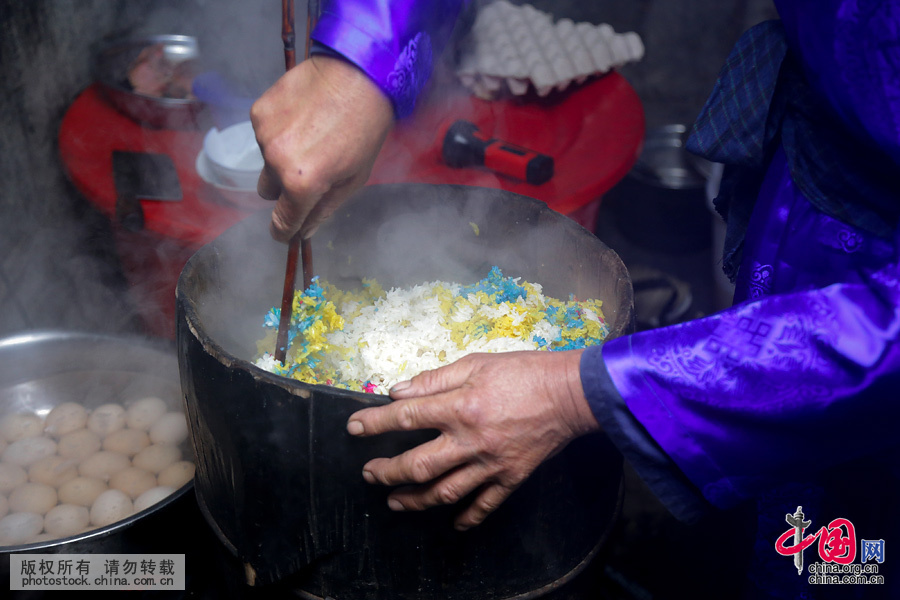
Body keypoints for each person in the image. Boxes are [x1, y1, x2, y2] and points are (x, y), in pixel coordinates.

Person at [251, 1, 899, 596]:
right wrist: (366, 57)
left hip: (872, 309)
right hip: (812, 175)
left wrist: (574, 392)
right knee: (768, 503)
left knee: (854, 557)